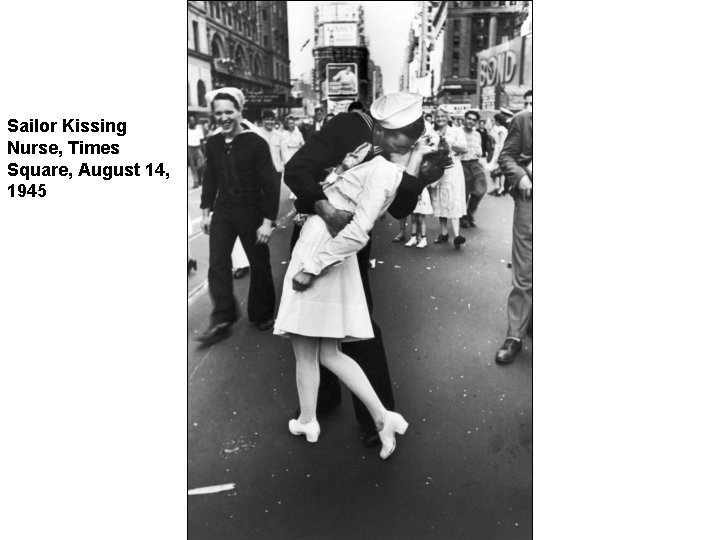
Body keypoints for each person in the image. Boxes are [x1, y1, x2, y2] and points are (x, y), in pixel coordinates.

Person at [275, 101, 448, 458]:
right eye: (402, 133)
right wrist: (325, 206)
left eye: (413, 134)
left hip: (337, 247)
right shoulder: (346, 126)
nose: (405, 141)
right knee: (315, 337)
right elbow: (297, 169)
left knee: (347, 331)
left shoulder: (405, 153)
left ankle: (373, 418)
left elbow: (397, 209)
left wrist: (419, 179)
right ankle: (319, 408)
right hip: (321, 227)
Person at [195, 87, 279, 345]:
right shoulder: (214, 142)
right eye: (218, 113)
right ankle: (223, 317)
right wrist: (206, 212)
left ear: (239, 112)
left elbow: (271, 183)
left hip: (251, 209)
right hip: (224, 210)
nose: (223, 117)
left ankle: (262, 313)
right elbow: (210, 179)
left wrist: (267, 221)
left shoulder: (255, 142)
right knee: (218, 263)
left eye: (229, 111)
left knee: (259, 263)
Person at [495, 89, 533, 365]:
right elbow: (505, 157)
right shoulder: (522, 120)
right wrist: (520, 176)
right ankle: (515, 335)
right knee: (525, 271)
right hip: (530, 202)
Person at [428, 106, 467, 249]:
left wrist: (449, 143)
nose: (440, 119)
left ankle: (457, 235)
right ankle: (443, 233)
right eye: (437, 117)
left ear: (448, 117)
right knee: (441, 198)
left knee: (454, 198)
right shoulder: (432, 132)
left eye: (443, 116)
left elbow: (464, 148)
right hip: (438, 168)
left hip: (453, 168)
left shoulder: (456, 131)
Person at [459, 109, 487, 229]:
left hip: (475, 164)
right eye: (469, 118)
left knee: (480, 190)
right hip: (462, 164)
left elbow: (480, 150)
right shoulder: (458, 132)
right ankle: (463, 217)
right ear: (464, 119)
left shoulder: (477, 134)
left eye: (474, 120)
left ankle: (470, 213)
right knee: (464, 193)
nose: (471, 121)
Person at [487, 113, 509, 195]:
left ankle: (501, 188)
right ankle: (499, 188)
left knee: (501, 171)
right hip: (497, 150)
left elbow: (501, 143)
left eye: (494, 120)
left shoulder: (501, 130)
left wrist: (500, 154)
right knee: (497, 171)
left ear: (498, 121)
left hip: (500, 151)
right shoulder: (500, 129)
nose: (494, 122)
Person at [259, 110, 284, 186]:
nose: (270, 122)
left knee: (275, 194)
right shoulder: (257, 133)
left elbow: (285, 153)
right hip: (261, 170)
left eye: (272, 119)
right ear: (263, 120)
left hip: (276, 170)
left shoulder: (279, 135)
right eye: (267, 119)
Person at [188, 115, 206, 189]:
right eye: (190, 120)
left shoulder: (199, 130)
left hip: (198, 148)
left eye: (193, 120)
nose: (192, 121)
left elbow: (202, 141)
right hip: (190, 148)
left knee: (201, 164)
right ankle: (196, 181)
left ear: (195, 121)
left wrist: (204, 151)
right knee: (192, 166)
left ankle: (200, 179)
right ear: (189, 122)